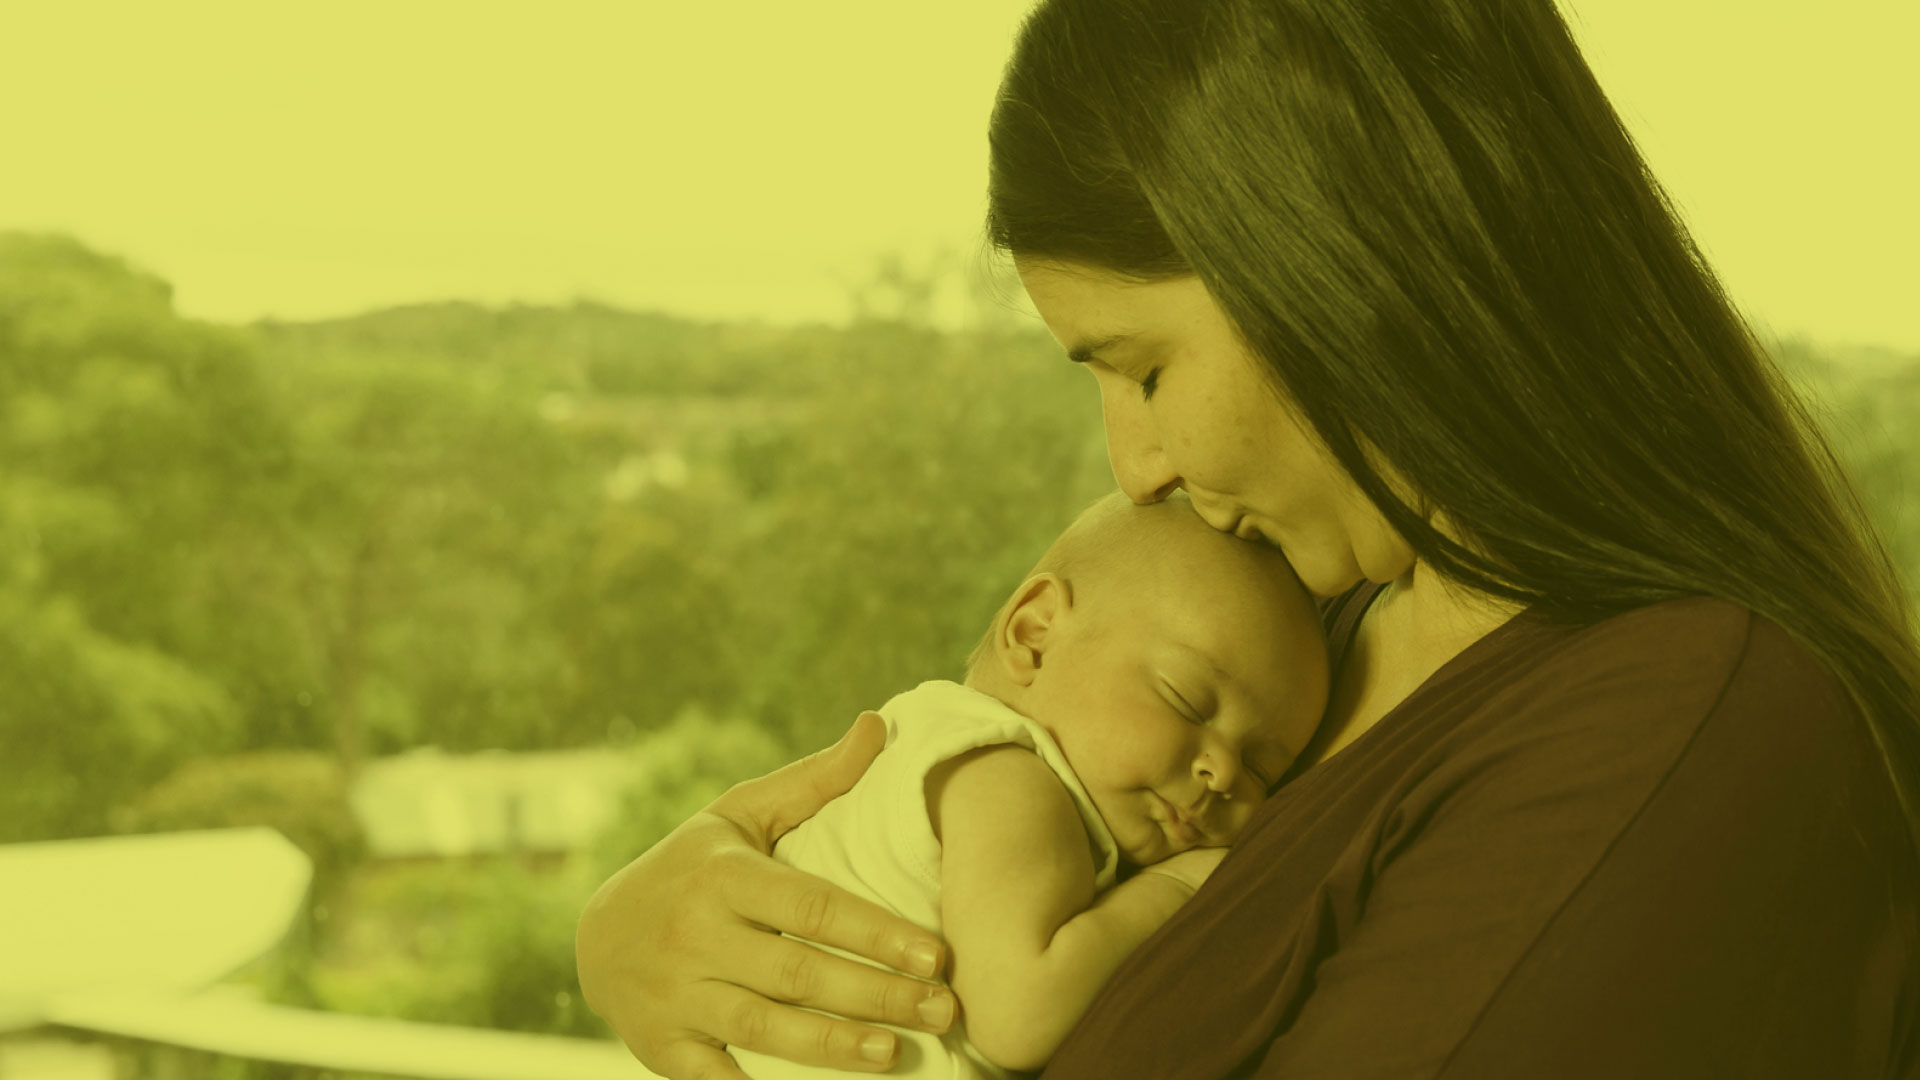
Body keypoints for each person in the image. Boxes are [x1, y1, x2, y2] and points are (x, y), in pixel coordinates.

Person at [577, 0, 1920, 1076]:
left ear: (1350, 266)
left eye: (1144, 371)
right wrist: (658, 937)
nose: (1134, 466)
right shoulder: (1287, 641)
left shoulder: (1679, 733)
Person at [725, 491, 1327, 1078]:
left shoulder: (943, 747)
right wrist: (1175, 886)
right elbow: (1020, 1014)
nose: (1222, 773)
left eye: (1261, 769)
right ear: (1034, 634)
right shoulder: (1005, 778)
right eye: (1189, 701)